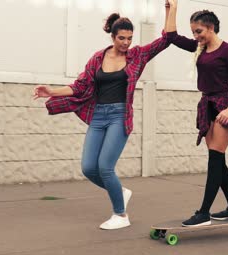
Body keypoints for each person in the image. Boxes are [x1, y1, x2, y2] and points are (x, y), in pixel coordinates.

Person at [33, 1, 178, 230]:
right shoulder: (97, 58)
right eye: (122, 38)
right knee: (89, 168)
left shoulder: (137, 56)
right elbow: (79, 87)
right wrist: (51, 90)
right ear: (113, 37)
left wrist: (171, 10)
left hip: (119, 116)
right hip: (99, 116)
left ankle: (120, 215)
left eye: (130, 38)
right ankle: (119, 190)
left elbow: (167, 39)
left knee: (105, 167)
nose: (127, 43)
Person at [169, 6, 228, 227]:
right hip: (206, 105)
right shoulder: (199, 47)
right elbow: (171, 36)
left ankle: (203, 213)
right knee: (218, 162)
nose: (196, 36)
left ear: (211, 28)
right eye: (194, 32)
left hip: (223, 105)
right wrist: (171, 9)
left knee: (215, 159)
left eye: (199, 31)